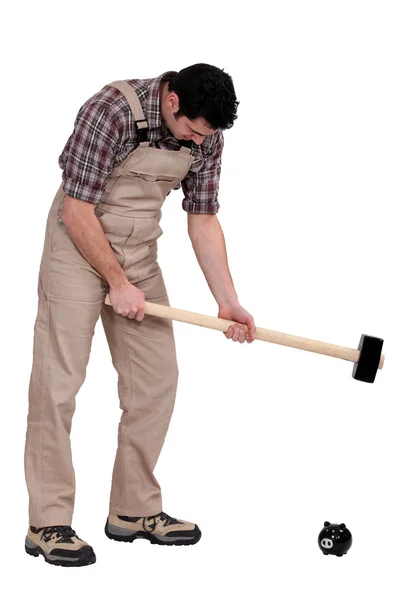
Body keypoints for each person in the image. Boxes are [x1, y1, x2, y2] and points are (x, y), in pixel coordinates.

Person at [24, 63, 256, 567]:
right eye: (194, 131)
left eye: (207, 136)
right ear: (172, 102)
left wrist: (227, 301)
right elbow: (76, 211)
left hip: (138, 252)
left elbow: (202, 218)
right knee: (58, 384)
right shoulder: (111, 110)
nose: (200, 141)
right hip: (76, 246)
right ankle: (48, 522)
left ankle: (133, 510)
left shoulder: (206, 133)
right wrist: (116, 282)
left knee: (156, 380)